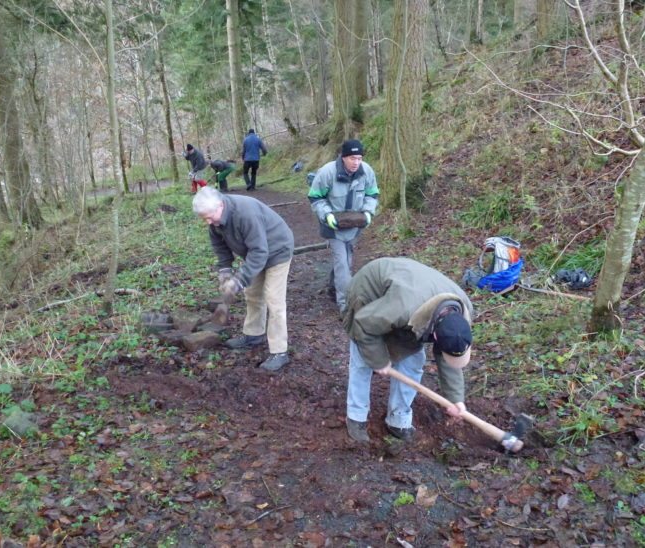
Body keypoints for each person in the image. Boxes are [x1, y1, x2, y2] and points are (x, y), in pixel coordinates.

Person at [340, 257, 474, 443]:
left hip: (407, 302)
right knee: (363, 360)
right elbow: (363, 324)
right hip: (369, 294)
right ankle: (356, 417)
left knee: (413, 361)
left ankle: (398, 420)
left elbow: (449, 351)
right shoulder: (403, 307)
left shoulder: (463, 311)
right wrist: (378, 360)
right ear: (434, 335)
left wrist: (455, 398)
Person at [192, 187, 294, 372]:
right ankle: (254, 335)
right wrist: (225, 272)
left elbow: (260, 251)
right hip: (255, 252)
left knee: (274, 299)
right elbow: (221, 248)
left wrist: (239, 279)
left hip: (277, 250)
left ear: (220, 205)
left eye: (209, 216)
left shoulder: (244, 214)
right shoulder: (215, 221)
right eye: (204, 218)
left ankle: (280, 352)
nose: (208, 221)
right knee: (253, 294)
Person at [308, 139, 379, 313]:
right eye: (353, 158)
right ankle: (345, 305)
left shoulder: (367, 171)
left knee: (345, 259)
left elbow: (372, 194)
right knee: (343, 262)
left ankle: (333, 286)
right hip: (333, 226)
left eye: (359, 158)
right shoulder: (327, 172)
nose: (356, 162)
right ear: (343, 157)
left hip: (355, 226)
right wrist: (327, 215)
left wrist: (369, 212)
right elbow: (315, 197)